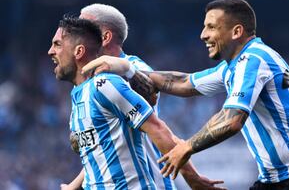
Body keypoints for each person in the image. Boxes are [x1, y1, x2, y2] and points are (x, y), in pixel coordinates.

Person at [81, 0, 289, 190]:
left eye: (211, 27)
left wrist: (187, 147)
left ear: (236, 31)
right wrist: (126, 67)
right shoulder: (233, 67)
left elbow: (232, 120)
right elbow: (182, 83)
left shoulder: (253, 60)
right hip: (275, 181)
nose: (203, 35)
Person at [49, 16, 225, 190]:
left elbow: (157, 126)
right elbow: (101, 152)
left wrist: (192, 178)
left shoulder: (105, 83)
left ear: (79, 51)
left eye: (57, 44)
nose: (50, 51)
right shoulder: (80, 94)